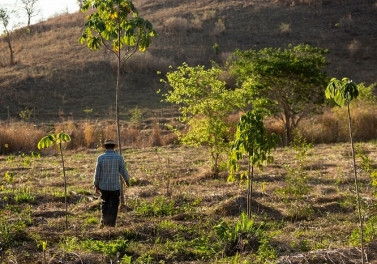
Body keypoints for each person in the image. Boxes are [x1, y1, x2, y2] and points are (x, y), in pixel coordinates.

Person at [94, 139, 130, 227]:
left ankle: (104, 222)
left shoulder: (100, 158)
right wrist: (127, 181)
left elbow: (97, 173)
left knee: (104, 204)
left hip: (103, 187)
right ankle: (111, 225)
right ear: (114, 147)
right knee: (114, 206)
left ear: (105, 147)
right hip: (115, 187)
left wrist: (96, 185)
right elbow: (123, 171)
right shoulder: (119, 158)